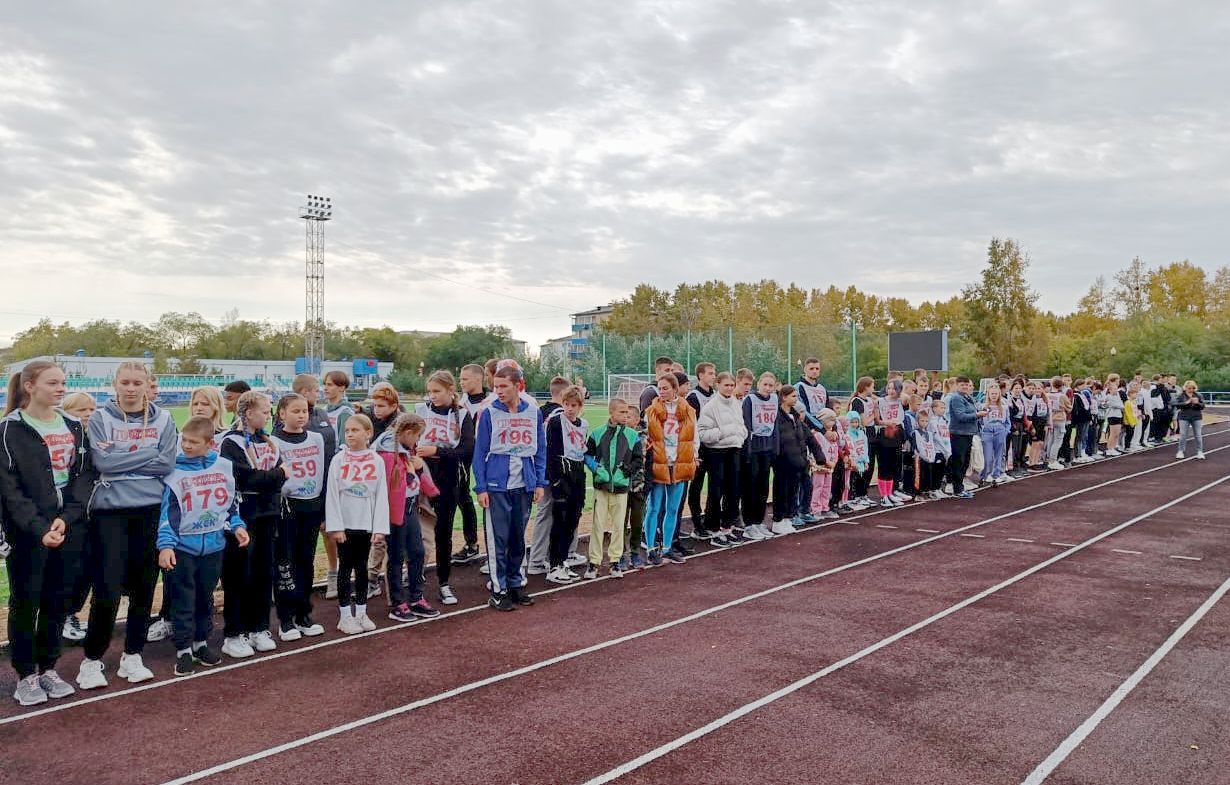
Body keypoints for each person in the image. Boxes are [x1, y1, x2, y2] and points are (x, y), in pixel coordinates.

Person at [77, 362, 177, 690]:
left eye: (137, 383)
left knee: (144, 588)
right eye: (125, 382)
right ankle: (92, 659)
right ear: (115, 384)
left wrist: (122, 460)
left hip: (150, 510)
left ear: (147, 385)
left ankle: (133, 654)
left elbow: (167, 463)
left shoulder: (164, 419)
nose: (131, 389)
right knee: (106, 589)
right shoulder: (100, 419)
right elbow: (103, 462)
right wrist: (148, 454)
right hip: (110, 513)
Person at [2, 361, 94, 705]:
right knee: (26, 602)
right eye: (53, 383)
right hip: (28, 532)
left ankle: (48, 668)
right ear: (29, 386)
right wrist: (40, 528)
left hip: (68, 527)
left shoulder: (73, 425)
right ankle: (26, 675)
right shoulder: (9, 430)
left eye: (63, 383)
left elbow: (84, 476)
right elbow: (9, 490)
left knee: (58, 600)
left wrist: (66, 519)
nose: (61, 389)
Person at [156, 416, 248, 676]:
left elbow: (229, 504)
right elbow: (169, 513)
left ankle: (200, 643)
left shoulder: (223, 467)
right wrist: (166, 545)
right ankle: (183, 649)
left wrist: (237, 526)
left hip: (214, 547)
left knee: (205, 598)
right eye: (184, 440)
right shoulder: (175, 471)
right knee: (183, 600)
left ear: (210, 444)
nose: (186, 445)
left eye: (193, 442)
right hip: (183, 548)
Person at [219, 391, 288, 658]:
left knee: (263, 572)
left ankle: (259, 627)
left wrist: (273, 477)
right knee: (239, 575)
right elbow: (246, 479)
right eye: (265, 411)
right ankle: (234, 633)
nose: (269, 415)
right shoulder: (231, 442)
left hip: (268, 514)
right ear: (249, 413)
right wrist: (276, 475)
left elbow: (279, 474)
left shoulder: (268, 441)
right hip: (242, 517)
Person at [473, 364, 547, 611]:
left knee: (517, 538)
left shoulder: (533, 412)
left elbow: (540, 449)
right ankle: (499, 589)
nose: (499, 391)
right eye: (496, 387)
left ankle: (516, 584)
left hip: (524, 484)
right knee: (498, 540)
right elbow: (479, 453)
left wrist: (539, 482)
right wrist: (481, 487)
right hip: (497, 486)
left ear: (518, 386)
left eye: (504, 386)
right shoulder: (489, 413)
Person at [269, 393, 329, 641]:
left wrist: (323, 509)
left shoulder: (317, 438)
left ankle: (304, 613)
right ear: (282, 413)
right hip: (287, 508)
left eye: (304, 411)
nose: (302, 415)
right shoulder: (273, 442)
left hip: (311, 506)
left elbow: (323, 473)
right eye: (295, 411)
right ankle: (285, 618)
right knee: (285, 562)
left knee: (306, 561)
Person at [415, 370, 475, 607]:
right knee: (415, 532)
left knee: (443, 533)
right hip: (419, 476)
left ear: (451, 390)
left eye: (437, 391)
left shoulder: (463, 415)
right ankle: (414, 578)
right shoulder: (420, 410)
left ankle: (443, 583)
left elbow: (467, 450)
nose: (432, 396)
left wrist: (437, 451)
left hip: (448, 480)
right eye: (430, 391)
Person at [326, 414, 389, 633]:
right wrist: (336, 526)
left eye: (355, 430)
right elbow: (332, 493)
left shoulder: (376, 460)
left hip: (365, 523)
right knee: (345, 567)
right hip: (345, 523)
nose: (350, 434)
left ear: (368, 433)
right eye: (347, 431)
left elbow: (381, 494)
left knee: (362, 567)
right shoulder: (338, 459)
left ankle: (361, 612)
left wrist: (379, 527)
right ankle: (345, 616)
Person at [375, 413, 441, 621]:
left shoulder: (407, 450)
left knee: (417, 552)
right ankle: (398, 602)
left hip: (410, 507)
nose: (418, 441)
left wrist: (429, 487)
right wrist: (413, 470)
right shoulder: (387, 454)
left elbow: (416, 477)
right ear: (408, 433)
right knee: (395, 556)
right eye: (418, 436)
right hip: (395, 511)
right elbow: (392, 485)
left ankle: (416, 597)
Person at [641, 374, 697, 564]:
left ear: (675, 389)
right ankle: (650, 549)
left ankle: (667, 548)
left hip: (679, 463)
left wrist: (694, 454)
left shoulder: (688, 411)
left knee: (673, 508)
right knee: (654, 507)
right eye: (660, 388)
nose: (662, 392)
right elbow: (645, 437)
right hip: (658, 464)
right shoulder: (651, 411)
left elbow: (694, 436)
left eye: (665, 388)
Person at [583, 398, 641, 578]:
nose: (625, 415)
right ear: (611, 412)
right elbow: (587, 455)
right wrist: (597, 469)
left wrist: (627, 471)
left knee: (618, 526)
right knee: (598, 525)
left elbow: (638, 460)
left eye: (627, 412)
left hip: (621, 488)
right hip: (601, 488)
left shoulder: (633, 436)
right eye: (621, 412)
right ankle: (594, 563)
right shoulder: (597, 433)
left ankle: (615, 561)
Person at [58, 392, 96, 644]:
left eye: (92, 409)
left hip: (93, 513)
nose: (88, 415)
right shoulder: (64, 439)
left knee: (87, 568)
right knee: (69, 568)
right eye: (81, 410)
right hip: (70, 513)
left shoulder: (97, 437)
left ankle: (70, 613)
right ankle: (61, 616)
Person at [697, 372, 748, 548]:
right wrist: (723, 433)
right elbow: (702, 433)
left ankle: (727, 526)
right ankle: (712, 528)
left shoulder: (736, 404)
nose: (729, 388)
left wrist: (740, 435)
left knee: (733, 491)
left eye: (731, 385)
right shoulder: (710, 407)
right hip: (716, 452)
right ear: (718, 385)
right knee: (716, 490)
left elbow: (741, 426)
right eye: (726, 385)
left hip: (735, 450)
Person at [452, 363, 496, 566]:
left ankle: (493, 550)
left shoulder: (492, 401)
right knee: (462, 496)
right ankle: (471, 544)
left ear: (478, 379)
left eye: (465, 379)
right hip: (462, 454)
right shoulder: (459, 403)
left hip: (486, 454)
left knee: (490, 498)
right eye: (460, 379)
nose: (461, 382)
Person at [526, 377, 571, 576]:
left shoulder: (539, 411)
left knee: (544, 512)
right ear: (564, 394)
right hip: (555, 470)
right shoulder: (560, 415)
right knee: (556, 513)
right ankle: (545, 558)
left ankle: (538, 557)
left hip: (540, 468)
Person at [545, 386, 588, 584]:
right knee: (559, 520)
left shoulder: (584, 425)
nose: (570, 409)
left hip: (577, 474)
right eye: (566, 404)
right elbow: (551, 453)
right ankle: (554, 564)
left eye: (574, 405)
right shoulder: (556, 422)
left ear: (580, 406)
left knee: (573, 519)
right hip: (561, 474)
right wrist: (555, 481)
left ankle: (563, 561)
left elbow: (582, 450)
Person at [364, 383, 403, 598]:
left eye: (381, 406)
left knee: (395, 537)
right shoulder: (372, 420)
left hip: (396, 488)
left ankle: (395, 581)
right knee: (377, 535)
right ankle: (372, 579)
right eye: (375, 405)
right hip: (377, 486)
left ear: (394, 406)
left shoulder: (401, 425)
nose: (376, 409)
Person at [771, 385, 820, 534]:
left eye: (796, 396)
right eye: (793, 396)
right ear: (783, 397)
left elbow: (808, 436)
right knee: (781, 491)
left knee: (793, 491)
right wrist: (777, 456)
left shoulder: (795, 417)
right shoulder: (777, 416)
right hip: (783, 461)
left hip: (797, 462)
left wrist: (820, 456)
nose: (796, 399)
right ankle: (778, 520)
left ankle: (788, 518)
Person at [741, 372, 780, 538]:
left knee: (763, 487)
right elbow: (746, 425)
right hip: (753, 448)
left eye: (771, 385)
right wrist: (748, 450)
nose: (768, 388)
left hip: (767, 448)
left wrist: (775, 448)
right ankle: (749, 524)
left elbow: (775, 424)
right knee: (751, 487)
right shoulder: (750, 400)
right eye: (765, 384)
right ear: (759, 384)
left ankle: (758, 521)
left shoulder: (775, 399)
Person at [685, 362, 717, 537]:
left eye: (714, 373)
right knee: (696, 486)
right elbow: (691, 426)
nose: (714, 376)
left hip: (716, 448)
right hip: (700, 449)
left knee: (715, 486)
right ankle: (697, 524)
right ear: (700, 375)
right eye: (710, 373)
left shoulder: (716, 395)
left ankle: (710, 520)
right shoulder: (693, 397)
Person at [943, 376, 981, 500]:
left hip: (968, 433)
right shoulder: (956, 398)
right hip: (958, 433)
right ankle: (957, 488)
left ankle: (960, 486)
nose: (965, 387)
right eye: (962, 385)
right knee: (959, 461)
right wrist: (977, 415)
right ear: (957, 385)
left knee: (965, 461)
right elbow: (961, 416)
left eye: (967, 384)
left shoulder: (968, 397)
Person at [874, 380, 908, 506]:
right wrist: (887, 422)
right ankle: (884, 496)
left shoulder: (901, 401)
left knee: (894, 465)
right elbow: (877, 420)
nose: (891, 391)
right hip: (885, 433)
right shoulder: (880, 401)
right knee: (884, 466)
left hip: (897, 433)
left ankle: (890, 493)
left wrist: (900, 391)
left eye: (894, 388)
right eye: (889, 388)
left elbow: (906, 398)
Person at [808, 408, 841, 520]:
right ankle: (815, 509)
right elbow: (816, 450)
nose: (833, 423)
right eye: (830, 420)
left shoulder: (834, 435)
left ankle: (824, 507)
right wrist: (826, 462)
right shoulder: (817, 435)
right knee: (818, 487)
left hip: (830, 467)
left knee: (827, 487)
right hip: (820, 466)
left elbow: (835, 449)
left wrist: (834, 462)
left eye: (834, 420)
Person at [979, 384, 1011, 485]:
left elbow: (1008, 422)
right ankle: (985, 475)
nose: (994, 395)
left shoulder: (1004, 407)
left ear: (999, 394)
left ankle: (995, 475)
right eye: (992, 393)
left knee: (999, 455)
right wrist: (981, 431)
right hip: (987, 431)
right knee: (988, 456)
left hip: (1000, 430)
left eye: (996, 394)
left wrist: (1006, 431)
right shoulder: (983, 406)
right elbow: (979, 421)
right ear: (988, 394)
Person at [1175, 381, 1206, 460]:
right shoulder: (1181, 395)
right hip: (1184, 417)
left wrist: (1197, 403)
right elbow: (1176, 404)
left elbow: (1203, 406)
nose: (1191, 390)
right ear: (1185, 388)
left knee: (1198, 435)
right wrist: (1186, 402)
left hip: (1196, 417)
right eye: (1189, 388)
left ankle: (1200, 451)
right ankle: (1180, 451)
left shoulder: (1198, 395)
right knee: (1183, 435)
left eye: (1193, 388)